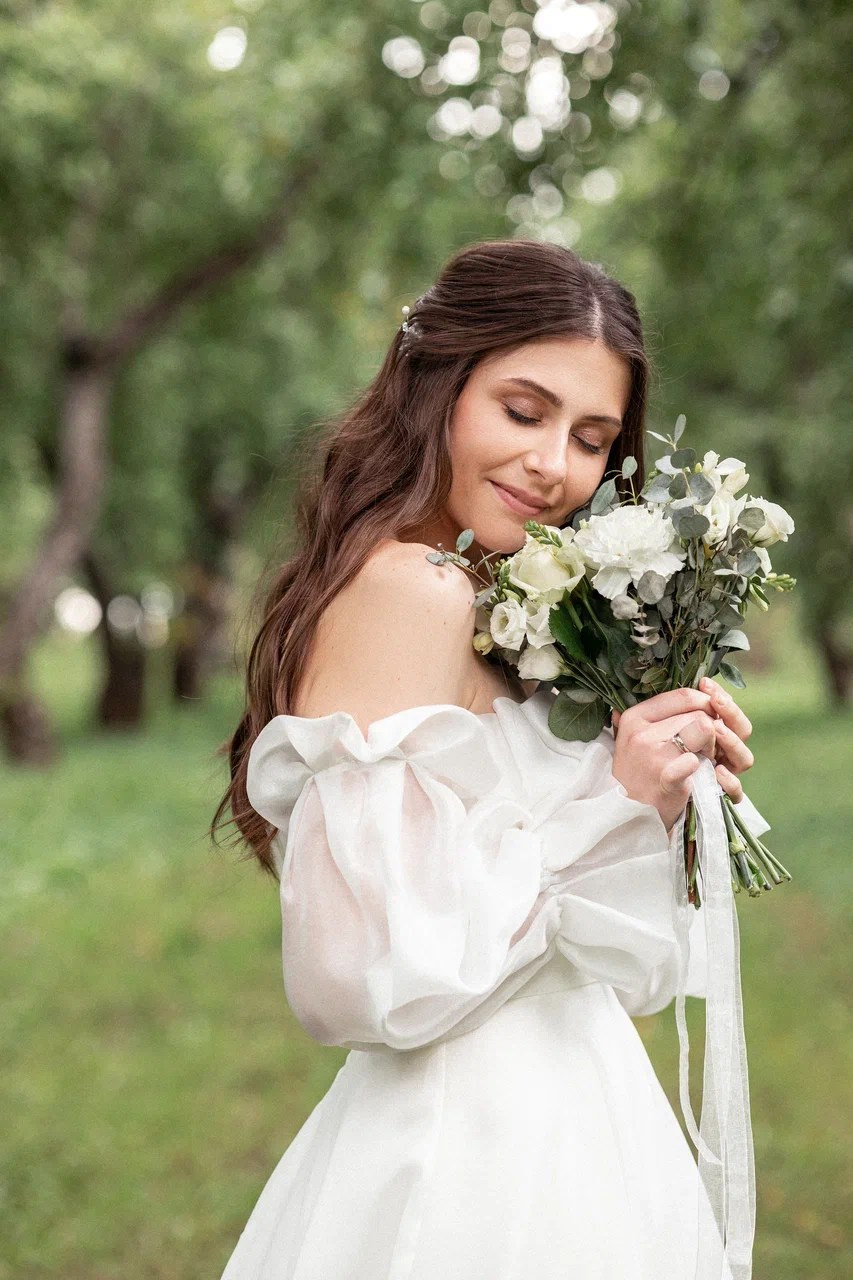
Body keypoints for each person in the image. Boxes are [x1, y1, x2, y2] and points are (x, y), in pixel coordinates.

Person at [212, 239, 764, 1279]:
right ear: (436, 385)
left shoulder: (505, 612)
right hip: (467, 1156)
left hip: (584, 1115)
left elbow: (607, 954)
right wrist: (610, 804)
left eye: (591, 438)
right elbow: (363, 975)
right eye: (522, 411)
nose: (554, 465)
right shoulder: (411, 590)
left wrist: (667, 780)